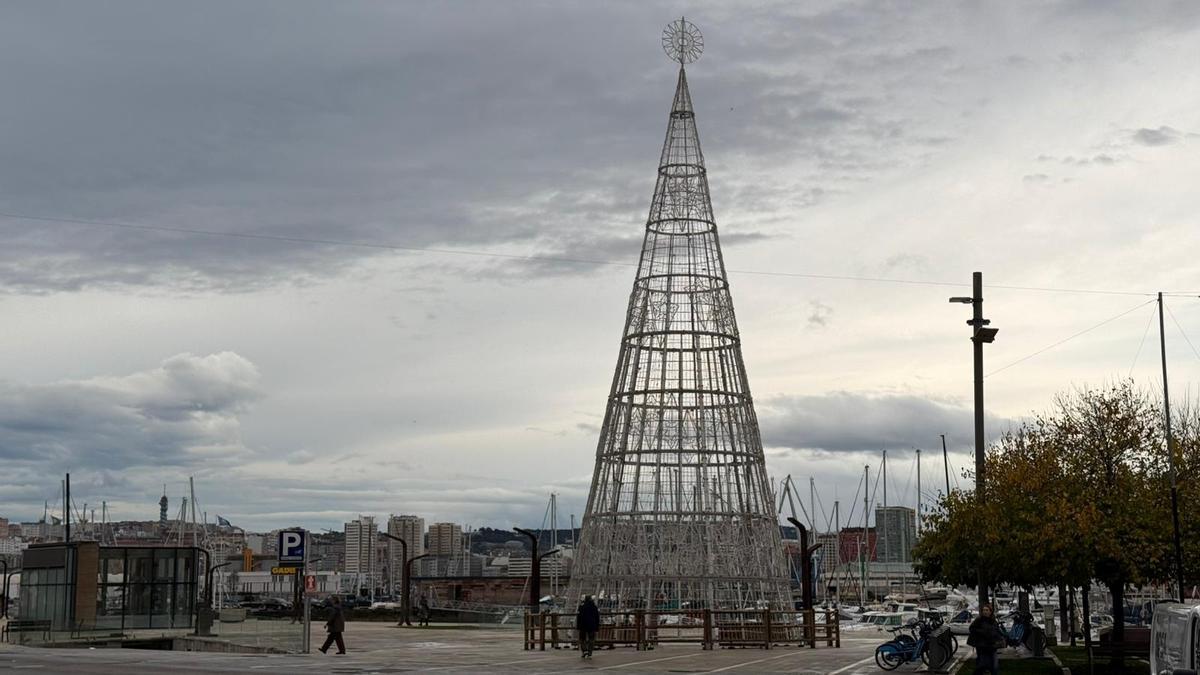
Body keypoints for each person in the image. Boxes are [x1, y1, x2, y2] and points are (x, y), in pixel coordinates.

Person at [968, 603, 1005, 675]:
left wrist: (1000, 637)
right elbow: (971, 629)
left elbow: (996, 631)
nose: (985, 612)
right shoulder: (979, 620)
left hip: (992, 645)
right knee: (982, 665)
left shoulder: (993, 621)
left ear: (990, 611)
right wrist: (982, 632)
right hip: (982, 646)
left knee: (995, 665)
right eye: (984, 610)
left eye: (987, 610)